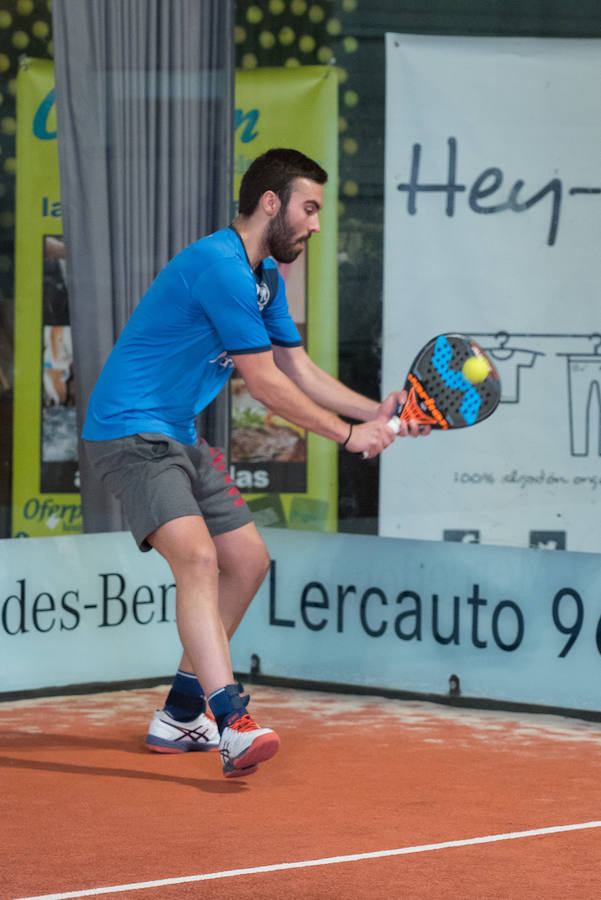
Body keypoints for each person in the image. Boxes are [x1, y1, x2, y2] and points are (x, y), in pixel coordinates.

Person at [82, 148, 429, 779]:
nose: (316, 225)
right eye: (310, 208)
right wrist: (351, 437)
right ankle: (231, 723)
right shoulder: (220, 267)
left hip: (177, 435)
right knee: (197, 556)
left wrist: (376, 413)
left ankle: (181, 713)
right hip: (129, 432)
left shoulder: (265, 272)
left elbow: (297, 366)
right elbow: (265, 385)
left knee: (247, 561)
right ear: (271, 203)